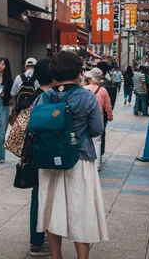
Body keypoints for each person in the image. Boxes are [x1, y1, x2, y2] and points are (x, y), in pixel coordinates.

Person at [35, 51, 108, 259]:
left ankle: (56, 257)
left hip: (49, 159)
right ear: (78, 72)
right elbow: (96, 129)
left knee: (52, 209)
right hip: (80, 158)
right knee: (81, 210)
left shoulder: (44, 96)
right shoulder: (87, 96)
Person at [27, 58, 52, 257]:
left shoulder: (35, 95)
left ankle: (38, 237)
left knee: (38, 195)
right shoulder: (46, 98)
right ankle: (36, 241)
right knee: (39, 195)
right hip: (42, 153)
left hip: (35, 152)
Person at [83, 67, 113, 170]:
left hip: (84, 119)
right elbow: (108, 106)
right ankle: (97, 165)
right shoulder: (103, 90)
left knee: (84, 140)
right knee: (97, 142)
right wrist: (110, 116)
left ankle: (85, 164)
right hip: (98, 119)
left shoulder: (84, 89)